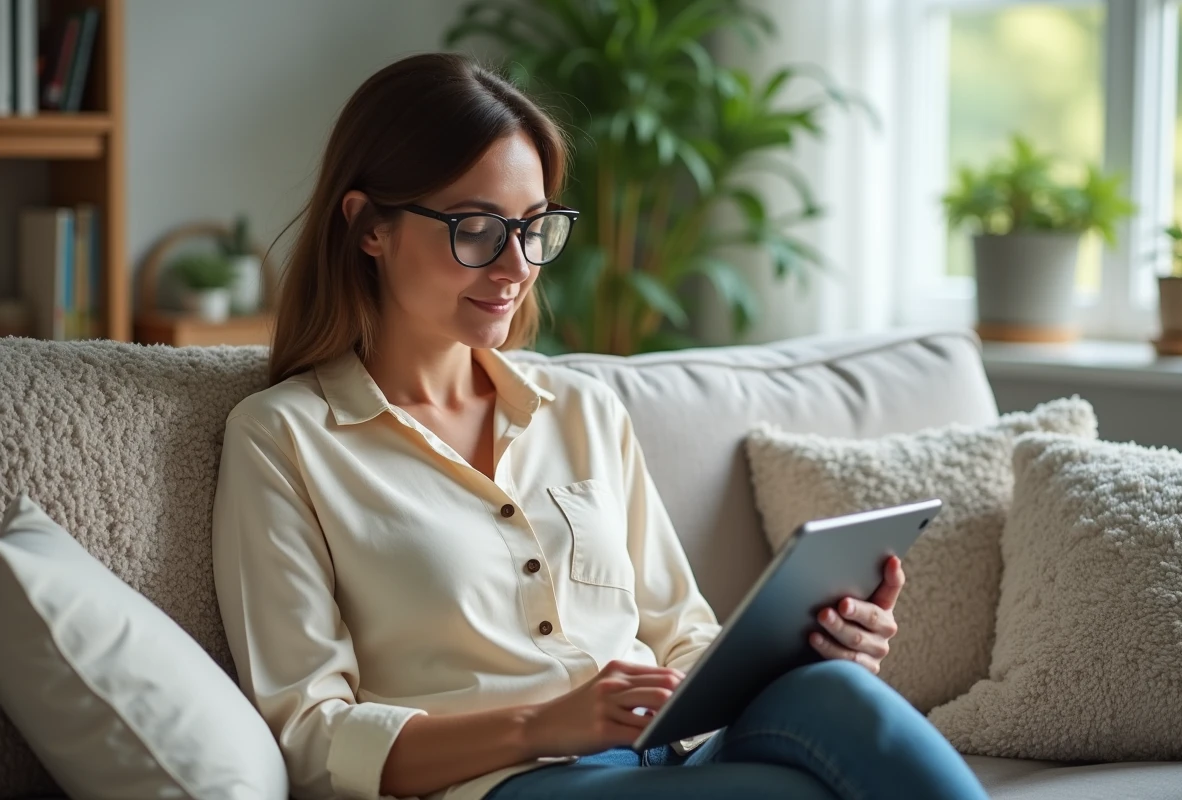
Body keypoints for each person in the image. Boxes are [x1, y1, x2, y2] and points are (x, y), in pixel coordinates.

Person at [211, 52, 989, 800]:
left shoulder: (581, 410)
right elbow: (310, 738)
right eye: (476, 228)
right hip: (511, 782)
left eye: (533, 227)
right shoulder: (285, 440)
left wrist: (816, 650)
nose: (518, 267)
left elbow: (682, 633)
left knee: (841, 695)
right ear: (368, 227)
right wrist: (540, 725)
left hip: (674, 748)